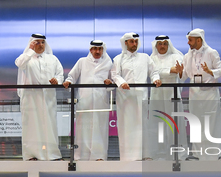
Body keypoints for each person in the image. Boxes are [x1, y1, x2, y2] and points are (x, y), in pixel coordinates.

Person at [111, 32, 161, 161]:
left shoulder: (145, 57)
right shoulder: (118, 58)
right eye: (131, 42)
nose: (134, 44)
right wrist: (122, 83)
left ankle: (145, 155)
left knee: (143, 125)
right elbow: (115, 75)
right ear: (126, 43)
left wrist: (156, 79)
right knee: (127, 127)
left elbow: (154, 72)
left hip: (142, 96)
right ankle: (129, 157)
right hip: (126, 98)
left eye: (136, 42)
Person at [177, 28, 221, 160]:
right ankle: (198, 154)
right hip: (194, 93)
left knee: (211, 122)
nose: (188, 43)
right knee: (196, 122)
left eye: (190, 40)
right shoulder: (187, 56)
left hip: (209, 92)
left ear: (199, 40)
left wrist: (210, 71)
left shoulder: (211, 53)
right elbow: (184, 76)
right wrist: (180, 72)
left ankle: (215, 153)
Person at [15, 33, 64, 161]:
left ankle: (51, 154)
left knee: (50, 125)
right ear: (32, 43)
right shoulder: (26, 57)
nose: (40, 45)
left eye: (42, 42)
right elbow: (19, 63)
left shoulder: (52, 59)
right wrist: (30, 51)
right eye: (37, 42)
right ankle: (31, 154)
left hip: (48, 97)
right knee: (31, 126)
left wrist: (56, 80)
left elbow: (60, 74)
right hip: (31, 98)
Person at [63, 40, 113, 161]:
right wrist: (69, 82)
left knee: (100, 129)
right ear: (90, 50)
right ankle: (81, 156)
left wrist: (109, 83)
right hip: (85, 101)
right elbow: (71, 76)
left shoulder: (108, 63)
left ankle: (99, 156)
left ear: (103, 50)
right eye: (95, 49)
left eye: (100, 49)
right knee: (83, 129)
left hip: (101, 102)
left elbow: (113, 82)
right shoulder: (82, 62)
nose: (97, 51)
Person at [147, 35, 187, 160]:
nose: (163, 46)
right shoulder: (151, 58)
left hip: (172, 95)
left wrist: (178, 71)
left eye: (165, 43)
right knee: (158, 124)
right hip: (157, 95)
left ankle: (178, 153)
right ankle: (159, 153)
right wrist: (170, 70)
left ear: (168, 45)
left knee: (175, 123)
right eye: (160, 44)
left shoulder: (176, 56)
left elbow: (182, 74)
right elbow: (152, 72)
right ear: (156, 45)